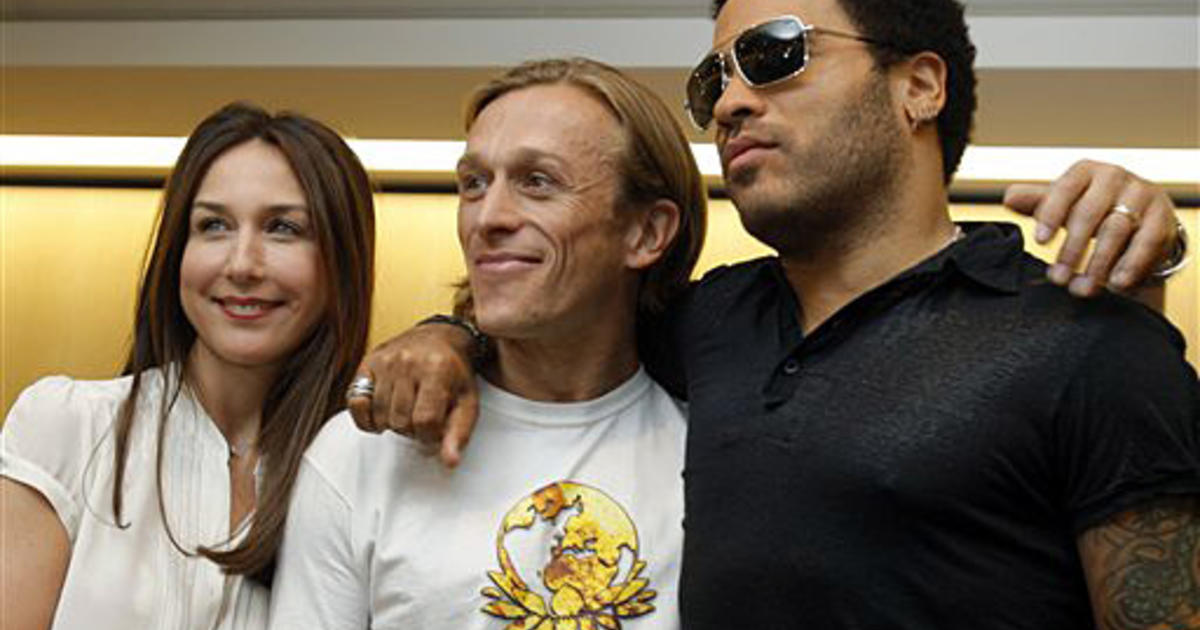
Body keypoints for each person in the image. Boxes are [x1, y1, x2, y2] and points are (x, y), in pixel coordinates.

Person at [350, 1, 1199, 628]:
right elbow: (556, 312)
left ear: (919, 85)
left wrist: (1154, 246)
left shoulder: (1087, 341)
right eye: (712, 79)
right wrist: (447, 334)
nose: (729, 103)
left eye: (774, 54)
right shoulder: (708, 323)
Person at [267, 58, 704, 630]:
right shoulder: (368, 448)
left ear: (645, 233)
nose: (488, 217)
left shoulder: (710, 456)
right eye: (473, 183)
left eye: (537, 182)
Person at [0, 102, 376, 630]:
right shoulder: (66, 428)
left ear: (341, 261)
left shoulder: (367, 475)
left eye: (284, 228)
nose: (242, 264)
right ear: (178, 249)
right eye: (214, 225)